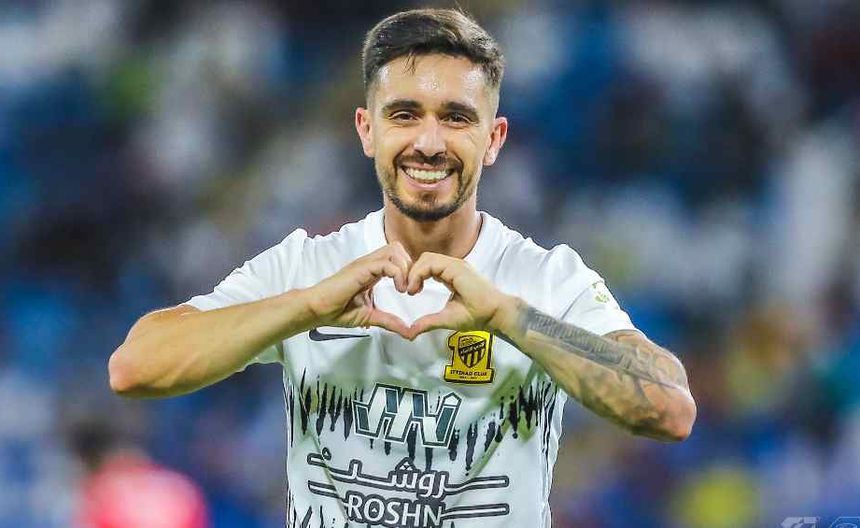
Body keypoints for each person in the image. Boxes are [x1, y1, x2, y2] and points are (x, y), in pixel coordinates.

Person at [108, 8, 696, 527]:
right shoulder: (308, 267)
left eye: (457, 117)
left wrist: (509, 317)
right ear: (367, 130)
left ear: (494, 139)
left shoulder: (546, 279)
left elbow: (669, 407)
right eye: (405, 114)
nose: (429, 142)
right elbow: (135, 367)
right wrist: (306, 307)